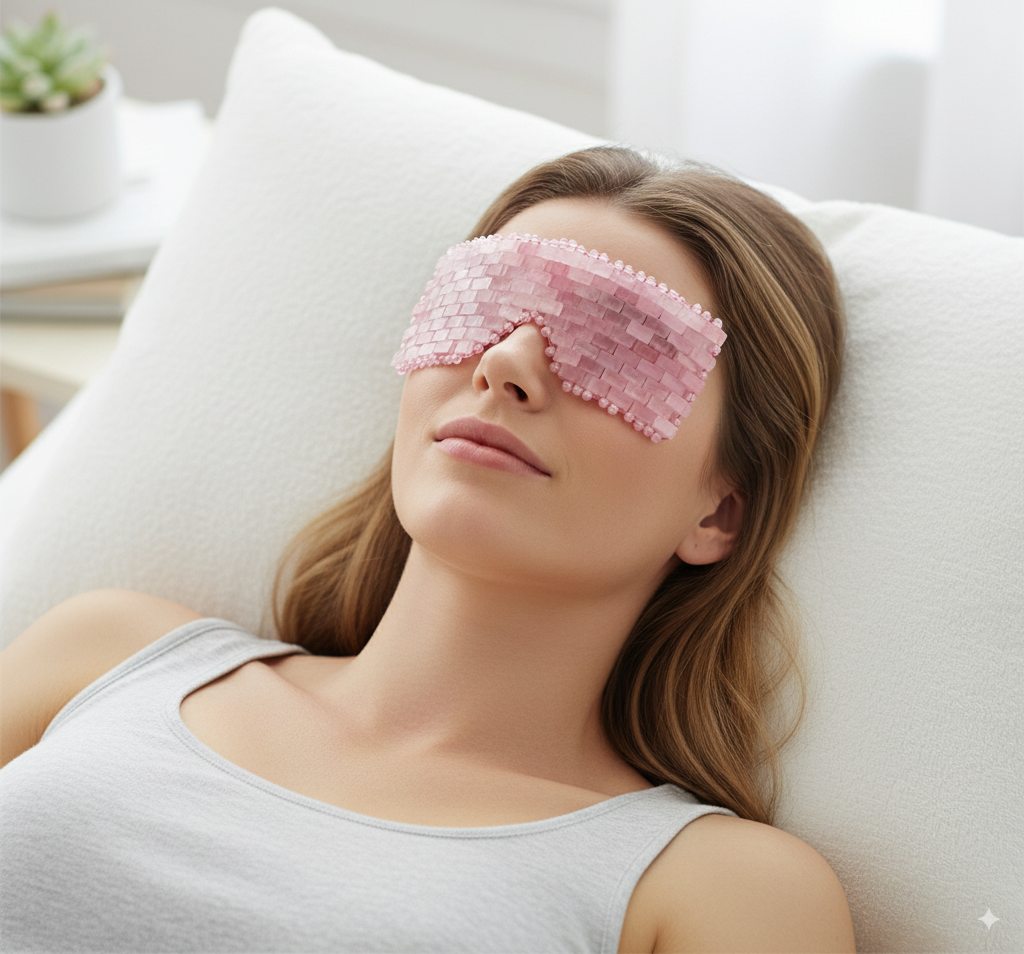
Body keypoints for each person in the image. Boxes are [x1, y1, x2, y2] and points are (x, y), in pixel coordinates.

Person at [0, 146, 855, 952]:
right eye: (483, 305)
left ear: (720, 513)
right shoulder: (110, 655)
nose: (506, 362)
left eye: (612, 344)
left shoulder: (723, 888)